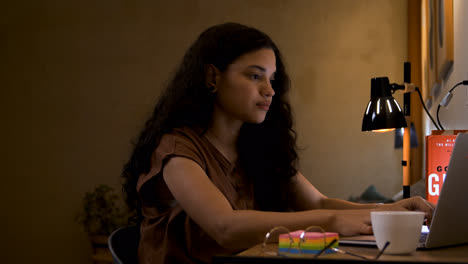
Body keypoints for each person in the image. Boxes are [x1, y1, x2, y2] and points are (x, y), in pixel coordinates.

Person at [122, 22, 434, 264]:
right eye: (255, 76)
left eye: (271, 79)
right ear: (212, 78)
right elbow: (225, 227)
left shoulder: (256, 147)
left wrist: (392, 210)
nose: (269, 90)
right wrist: (334, 222)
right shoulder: (177, 150)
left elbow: (318, 203)